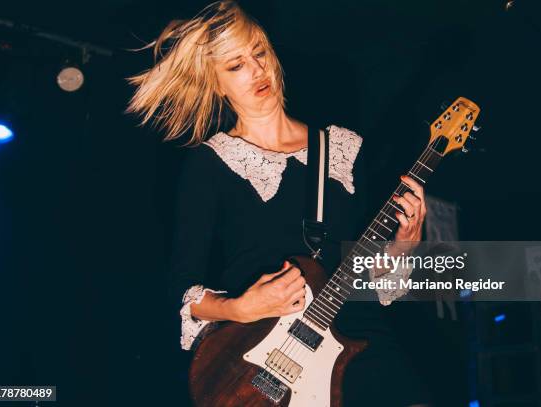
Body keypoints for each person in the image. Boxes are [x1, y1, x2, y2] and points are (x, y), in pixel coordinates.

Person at [128, 1, 431, 405]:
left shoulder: (341, 148)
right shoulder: (211, 162)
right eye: (235, 66)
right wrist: (239, 307)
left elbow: (376, 285)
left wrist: (406, 244)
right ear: (215, 83)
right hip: (268, 357)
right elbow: (182, 289)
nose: (256, 70)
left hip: (361, 347)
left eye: (259, 52)